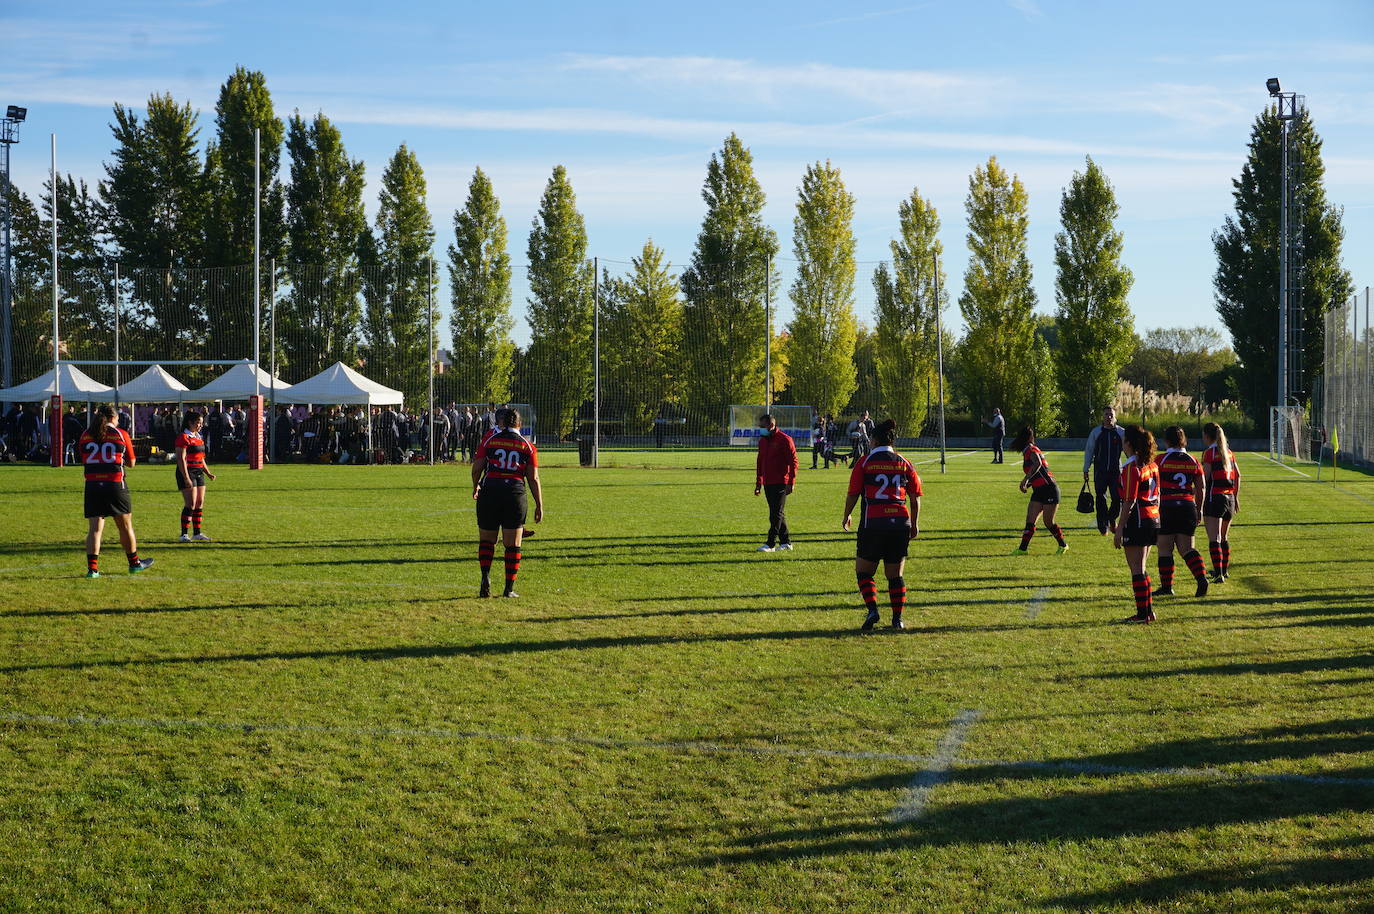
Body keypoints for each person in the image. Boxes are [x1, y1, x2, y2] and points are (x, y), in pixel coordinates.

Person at [842, 418, 922, 631]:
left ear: (874, 440)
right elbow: (915, 498)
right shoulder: (904, 462)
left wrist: (847, 515)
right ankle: (897, 620)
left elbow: (853, 494)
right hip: (900, 524)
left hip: (873, 524)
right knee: (895, 575)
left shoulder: (865, 462)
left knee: (864, 572)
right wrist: (914, 524)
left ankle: (873, 610)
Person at [472, 407, 543, 598]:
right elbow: (533, 478)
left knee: (487, 541)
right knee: (512, 544)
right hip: (514, 494)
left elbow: (476, 467)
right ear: (519, 424)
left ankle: (485, 577)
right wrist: (539, 505)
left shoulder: (490, 440)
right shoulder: (527, 447)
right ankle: (508, 589)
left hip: (489, 492)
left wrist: (475, 486)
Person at [78, 404, 153, 577]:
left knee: (95, 529)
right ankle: (134, 563)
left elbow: (85, 459)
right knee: (125, 527)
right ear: (113, 418)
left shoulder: (85, 434)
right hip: (115, 484)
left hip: (92, 485)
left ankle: (92, 570)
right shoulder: (120, 434)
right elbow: (132, 463)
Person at [1154, 426, 1209, 598]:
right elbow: (1201, 488)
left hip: (1166, 507)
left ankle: (1166, 587)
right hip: (1187, 506)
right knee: (1187, 548)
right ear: (1184, 440)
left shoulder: (1160, 460)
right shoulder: (1193, 460)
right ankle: (1201, 578)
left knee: (1164, 548)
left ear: (1166, 440)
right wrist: (1198, 509)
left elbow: (1153, 485)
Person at [1115, 425, 1162, 623]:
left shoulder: (1131, 467)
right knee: (1142, 568)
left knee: (1136, 569)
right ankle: (1148, 611)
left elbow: (1129, 501)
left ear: (1129, 444)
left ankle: (1142, 614)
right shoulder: (1152, 465)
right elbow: (1158, 496)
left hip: (1138, 520)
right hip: (1153, 518)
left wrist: (1119, 529)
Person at [1010, 426, 1069, 555]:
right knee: (1030, 520)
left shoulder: (1031, 449)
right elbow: (1039, 473)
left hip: (1049, 489)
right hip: (1039, 490)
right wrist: (1029, 483)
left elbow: (1038, 464)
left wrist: (1025, 479)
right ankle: (1022, 549)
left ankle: (1063, 545)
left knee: (1048, 522)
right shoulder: (1027, 450)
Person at [1201, 421, 1241, 584]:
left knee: (1214, 538)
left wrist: (1198, 497)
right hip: (1229, 498)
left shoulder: (1209, 454)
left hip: (1214, 498)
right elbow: (1237, 475)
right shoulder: (1229, 452)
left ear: (1207, 436)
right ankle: (1223, 570)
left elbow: (1205, 478)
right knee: (1223, 537)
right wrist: (1236, 497)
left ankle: (1219, 574)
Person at [753, 413, 797, 553]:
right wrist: (759, 483)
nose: (760, 429)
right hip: (768, 482)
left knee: (775, 514)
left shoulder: (785, 439)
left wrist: (791, 482)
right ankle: (786, 542)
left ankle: (770, 544)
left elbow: (794, 462)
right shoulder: (763, 441)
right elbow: (760, 462)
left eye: (762, 426)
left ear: (771, 425)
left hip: (781, 482)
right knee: (777, 512)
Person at [1083, 406, 1126, 535]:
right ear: (1102, 417)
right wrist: (1086, 469)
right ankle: (1103, 526)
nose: (1108, 417)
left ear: (1115, 417)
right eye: (1106, 414)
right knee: (1101, 498)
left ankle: (1111, 518)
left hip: (1116, 472)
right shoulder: (1096, 432)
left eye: (1111, 415)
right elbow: (1089, 451)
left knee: (1117, 498)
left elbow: (1128, 451)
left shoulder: (1121, 433)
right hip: (1100, 471)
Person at [175, 411, 217, 542]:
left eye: (201, 422)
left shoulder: (198, 436)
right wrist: (186, 477)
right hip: (187, 472)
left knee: (199, 503)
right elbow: (181, 459)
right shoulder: (183, 437)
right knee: (190, 503)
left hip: (198, 472)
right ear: (190, 422)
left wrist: (208, 472)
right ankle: (184, 535)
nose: (200, 425)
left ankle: (197, 533)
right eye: (198, 422)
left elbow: (201, 458)